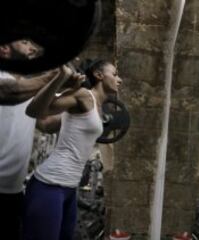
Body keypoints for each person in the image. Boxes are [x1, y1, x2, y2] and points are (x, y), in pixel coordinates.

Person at [22, 59, 122, 240]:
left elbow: (46, 124)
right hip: (50, 185)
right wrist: (60, 79)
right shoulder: (83, 95)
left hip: (69, 189)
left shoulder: (97, 109)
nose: (119, 79)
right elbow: (34, 111)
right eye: (114, 74)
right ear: (99, 75)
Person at [0, 40, 67, 240]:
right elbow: (9, 92)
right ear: (4, 49)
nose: (33, 48)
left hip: (13, 190)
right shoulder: (7, 82)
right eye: (24, 41)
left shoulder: (27, 87)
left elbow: (45, 124)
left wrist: (83, 111)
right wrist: (54, 76)